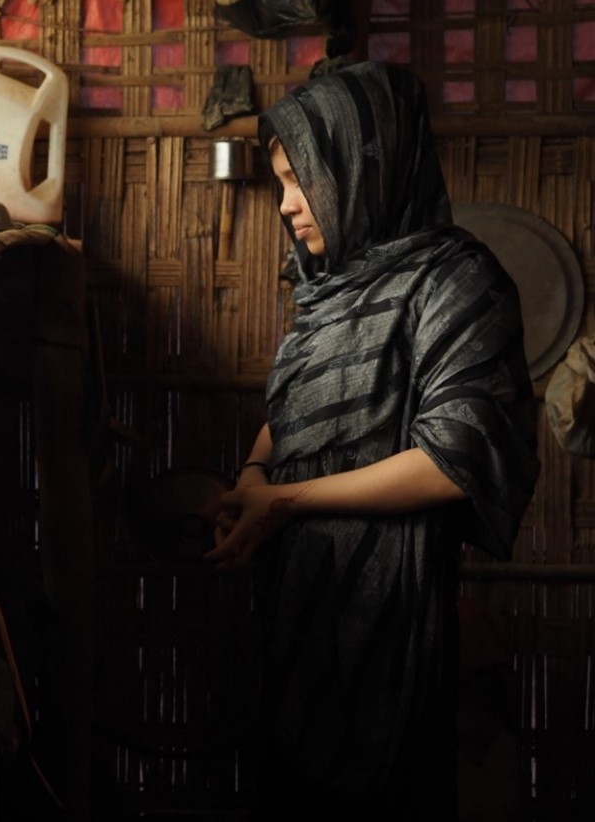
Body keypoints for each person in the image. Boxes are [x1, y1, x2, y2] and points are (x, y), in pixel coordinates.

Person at [204, 61, 538, 819]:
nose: (287, 205)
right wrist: (255, 473)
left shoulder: (456, 282)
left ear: (363, 167)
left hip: (393, 613)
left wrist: (285, 501)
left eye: (301, 181)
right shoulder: (329, 287)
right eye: (281, 183)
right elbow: (298, 406)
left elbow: (452, 460)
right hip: (297, 601)